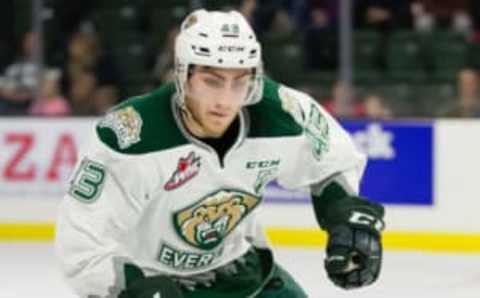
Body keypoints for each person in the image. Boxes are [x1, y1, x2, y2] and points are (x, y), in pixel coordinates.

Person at [55, 9, 385, 298]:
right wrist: (132, 287)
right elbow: (81, 243)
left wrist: (343, 214)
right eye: (212, 81)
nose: (226, 101)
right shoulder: (131, 136)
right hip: (152, 282)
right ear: (184, 76)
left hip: (240, 273)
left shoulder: (282, 112)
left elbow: (330, 162)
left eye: (239, 82)